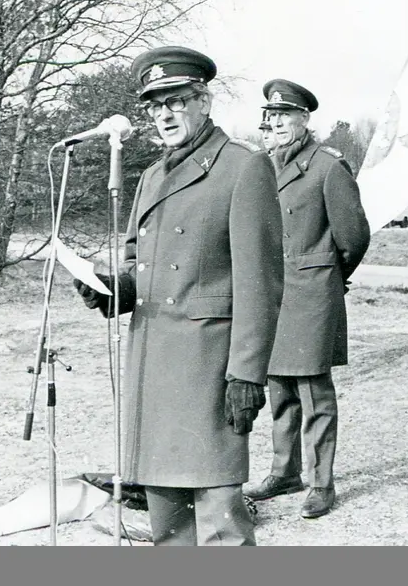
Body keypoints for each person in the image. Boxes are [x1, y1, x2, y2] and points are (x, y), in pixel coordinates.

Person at [73, 45, 284, 546]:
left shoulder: (242, 168)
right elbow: (136, 261)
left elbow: (260, 282)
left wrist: (247, 374)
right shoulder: (151, 176)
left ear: (203, 102)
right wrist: (112, 290)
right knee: (167, 517)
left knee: (219, 518)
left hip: (209, 364)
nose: (163, 114)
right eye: (154, 105)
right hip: (153, 359)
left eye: (176, 102)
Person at [244, 80, 370, 519]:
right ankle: (285, 471)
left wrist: (328, 278)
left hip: (312, 293)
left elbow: (353, 238)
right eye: (271, 116)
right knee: (279, 386)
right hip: (273, 295)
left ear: (305, 119)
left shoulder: (328, 168)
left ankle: (321, 482)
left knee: (314, 391)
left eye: (285, 115)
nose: (276, 123)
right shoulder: (262, 166)